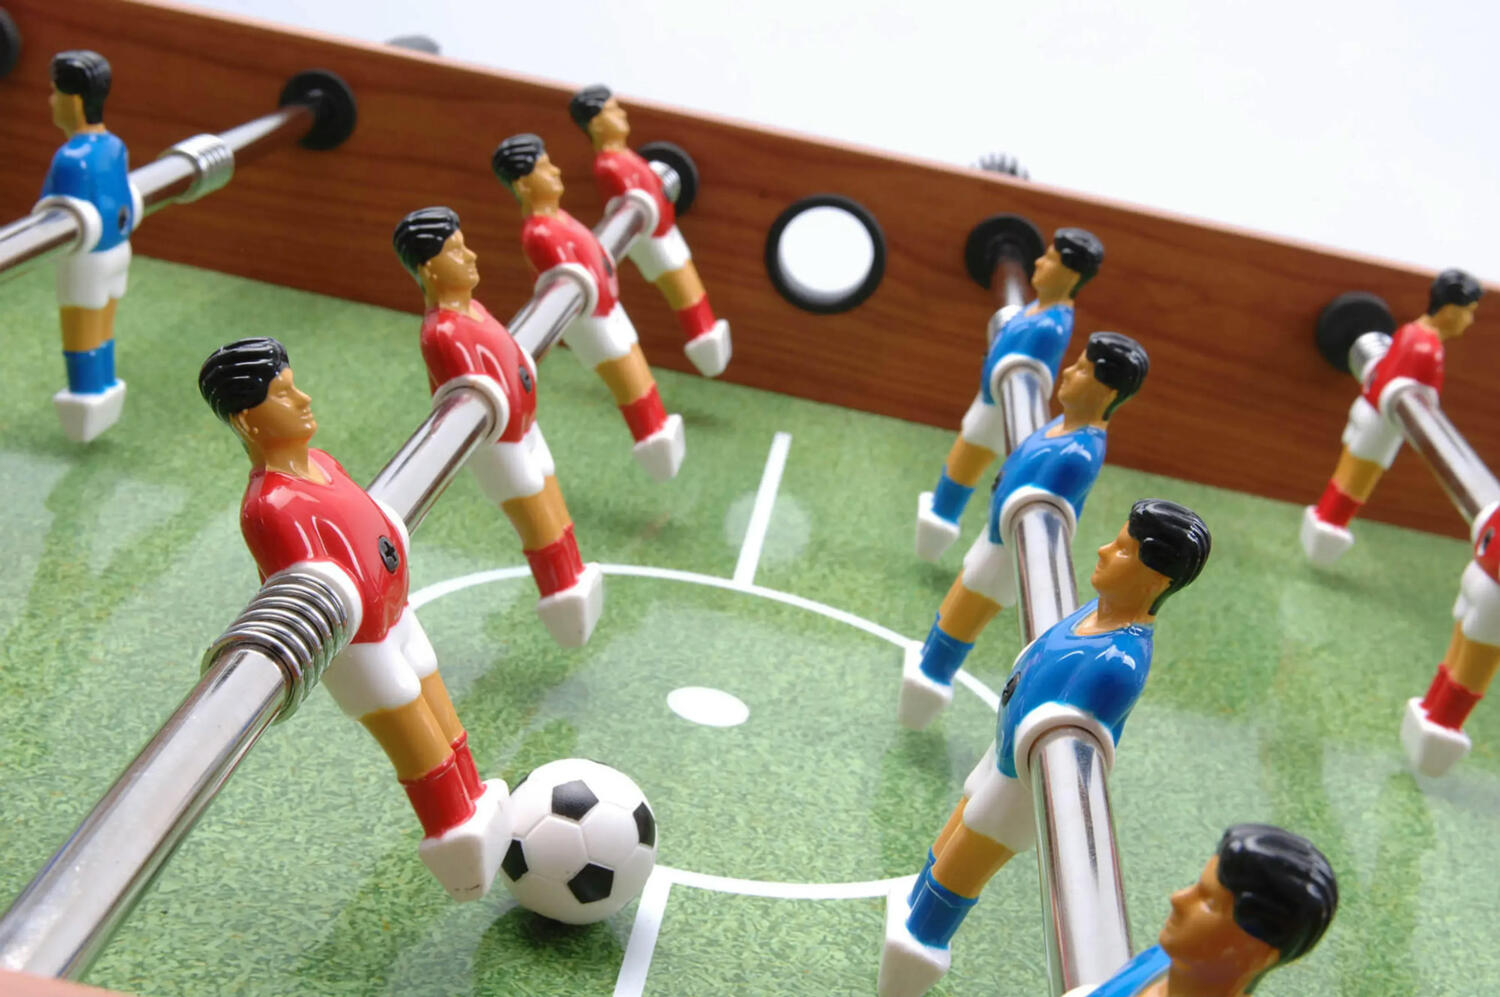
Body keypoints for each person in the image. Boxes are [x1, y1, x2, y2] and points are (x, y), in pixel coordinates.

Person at [199, 337, 509, 903]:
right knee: (416, 736)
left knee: (444, 716)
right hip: (362, 645)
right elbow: (315, 579)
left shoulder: (323, 463)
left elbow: (364, 519)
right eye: (283, 393)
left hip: (398, 614)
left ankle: (476, 799)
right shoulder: (270, 507)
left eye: (295, 385)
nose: (303, 398)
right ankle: (455, 833)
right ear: (247, 420)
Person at [880, 500, 1211, 997]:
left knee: (961, 864)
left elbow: (1071, 732)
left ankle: (919, 946)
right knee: (948, 840)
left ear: (1156, 580)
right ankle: (914, 918)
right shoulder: (1093, 611)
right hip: (1003, 753)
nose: (1104, 550)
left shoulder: (1118, 663)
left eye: (1123, 550)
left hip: (1023, 783)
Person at [900, 332, 1150, 729]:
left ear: (1106, 392)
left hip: (1009, 551)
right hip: (995, 539)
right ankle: (929, 670)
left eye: (1083, 370)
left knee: (963, 612)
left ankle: (932, 675)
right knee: (957, 604)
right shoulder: (1063, 426)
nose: (1068, 372)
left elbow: (1045, 504)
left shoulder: (1078, 453)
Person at [392, 206, 603, 647]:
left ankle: (574, 576)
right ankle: (561, 591)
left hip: (525, 428)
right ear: (429, 269)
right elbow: (474, 390)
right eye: (455, 251)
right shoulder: (443, 332)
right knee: (539, 520)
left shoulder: (472, 309)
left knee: (555, 507)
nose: (470, 255)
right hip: (502, 442)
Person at [491, 133, 684, 481]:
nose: (554, 171)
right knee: (628, 377)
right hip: (591, 315)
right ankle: (651, 435)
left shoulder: (559, 218)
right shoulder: (540, 232)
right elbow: (566, 274)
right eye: (543, 167)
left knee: (636, 370)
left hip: (606, 305)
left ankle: (655, 429)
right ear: (523, 184)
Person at [916, 228, 1105, 560]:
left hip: (1004, 408)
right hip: (991, 403)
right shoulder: (1037, 309)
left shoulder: (1051, 325)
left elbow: (1027, 368)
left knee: (971, 465)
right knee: (961, 465)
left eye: (1051, 260)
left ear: (1071, 275)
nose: (1039, 262)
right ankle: (940, 520)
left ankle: (943, 524)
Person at [1301, 269, 1482, 565]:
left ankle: (1325, 527)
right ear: (1450, 311)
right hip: (1380, 425)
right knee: (1353, 484)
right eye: (1468, 312)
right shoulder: (1428, 349)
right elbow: (1421, 401)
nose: (1470, 320)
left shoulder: (1409, 331)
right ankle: (1326, 534)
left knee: (1347, 478)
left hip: (1369, 412)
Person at [569, 84, 732, 377]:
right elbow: (627, 201)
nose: (621, 115)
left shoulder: (625, 156)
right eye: (612, 112)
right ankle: (703, 338)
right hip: (650, 235)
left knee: (687, 287)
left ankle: (704, 332)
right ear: (596, 124)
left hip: (664, 229)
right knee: (677, 286)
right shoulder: (608, 165)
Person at [1067, 824, 1337, 997]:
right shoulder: (1159, 962)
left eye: (1209, 903)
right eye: (1195, 888)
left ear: (1258, 954)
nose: (1178, 899)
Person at [37, 50, 141, 442]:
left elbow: (50, 216)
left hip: (86, 260)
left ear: (75, 100)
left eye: (55, 92)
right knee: (103, 329)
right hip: (118, 252)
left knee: (81, 334)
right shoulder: (115, 146)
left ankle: (85, 404)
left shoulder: (71, 160)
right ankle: (104, 391)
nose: (51, 101)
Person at [1402, 499, 1500, 775]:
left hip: (1484, 591)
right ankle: (1439, 718)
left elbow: (1481, 524)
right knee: (1465, 663)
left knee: (1464, 662)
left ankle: (1439, 718)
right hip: (1486, 592)